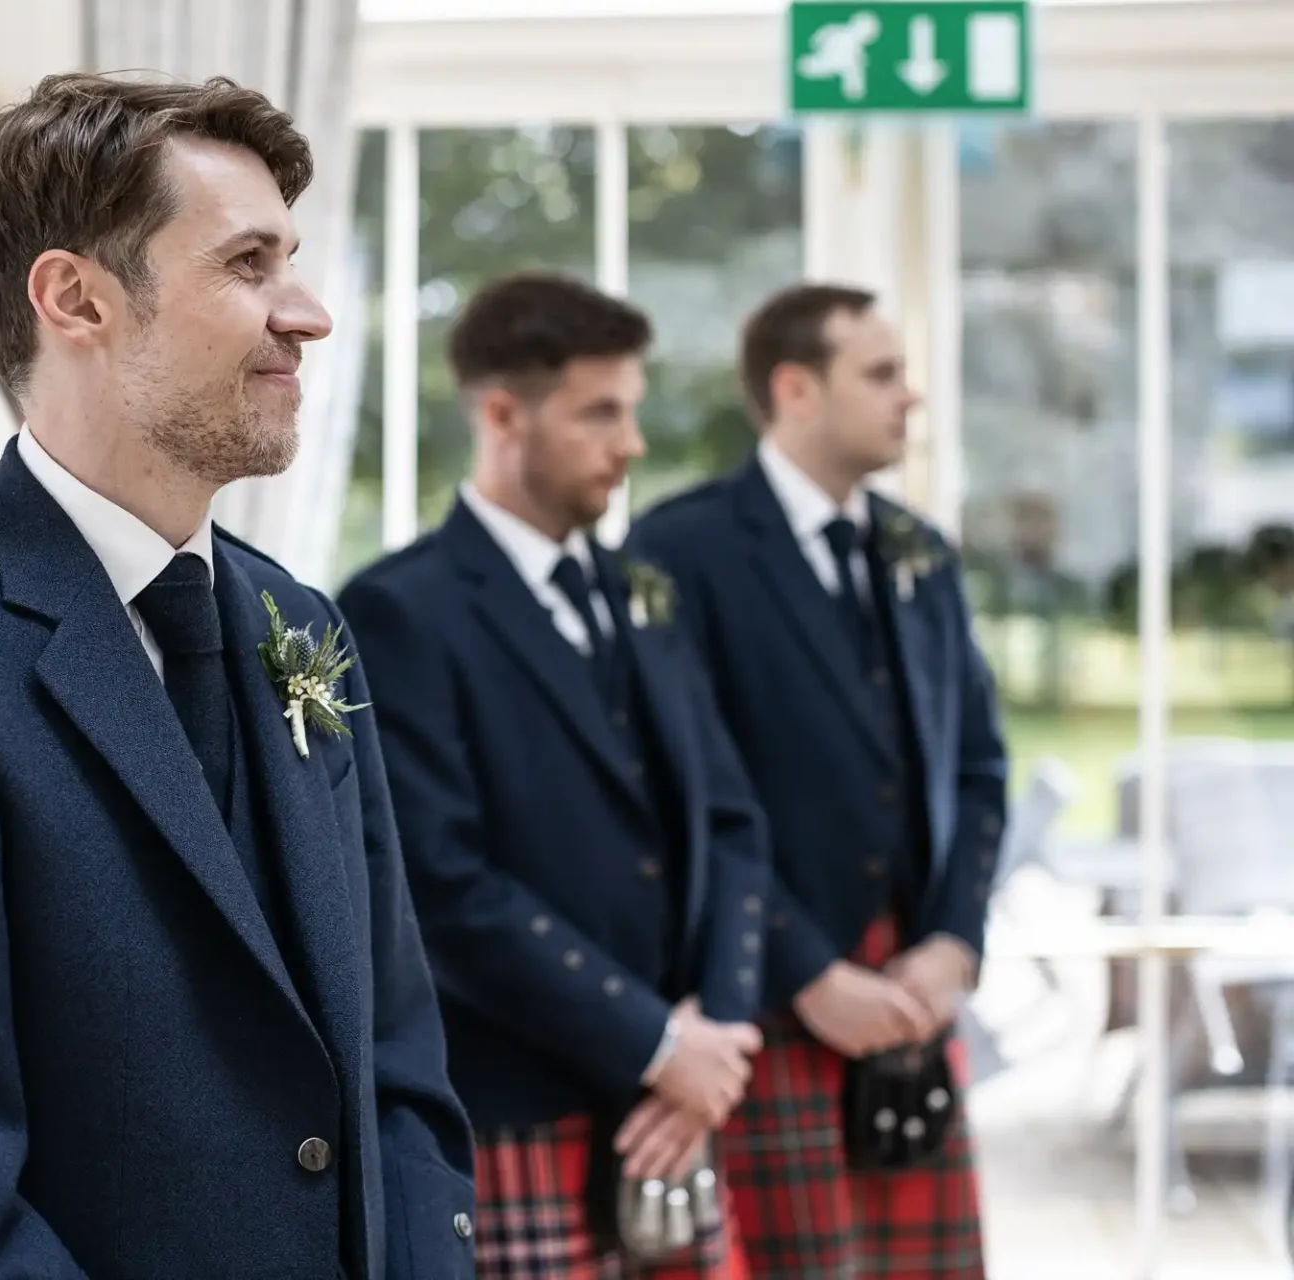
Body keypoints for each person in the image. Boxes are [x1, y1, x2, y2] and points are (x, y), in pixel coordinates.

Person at [0, 72, 477, 1280]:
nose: (309, 313)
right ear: (76, 297)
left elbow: (396, 1055)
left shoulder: (303, 621)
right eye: (249, 265)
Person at [337, 272, 769, 1280]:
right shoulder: (402, 609)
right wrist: (657, 1045)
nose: (633, 443)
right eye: (601, 413)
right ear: (501, 414)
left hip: (680, 1099)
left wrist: (716, 1035)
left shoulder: (638, 593)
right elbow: (439, 886)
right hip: (521, 1104)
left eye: (633, 409)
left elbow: (733, 820)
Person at [624, 283, 1008, 1279]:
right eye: (880, 373)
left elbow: (977, 766)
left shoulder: (922, 550)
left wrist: (955, 942)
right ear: (796, 388)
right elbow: (677, 793)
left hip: (911, 992)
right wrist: (807, 973)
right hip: (767, 993)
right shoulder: (678, 550)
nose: (909, 397)